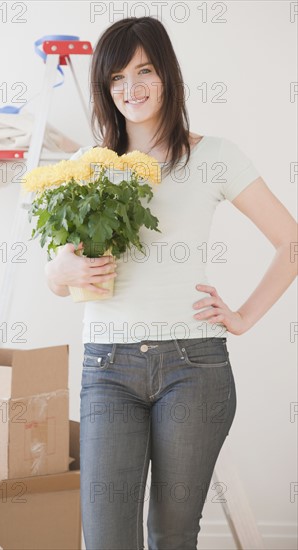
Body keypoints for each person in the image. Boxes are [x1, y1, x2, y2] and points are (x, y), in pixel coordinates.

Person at [45, 16, 298, 550]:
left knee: (173, 535)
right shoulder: (86, 168)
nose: (130, 89)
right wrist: (62, 273)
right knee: (107, 538)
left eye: (144, 71)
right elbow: (54, 273)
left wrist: (244, 316)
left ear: (168, 75)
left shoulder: (215, 156)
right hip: (107, 368)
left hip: (195, 366)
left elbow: (290, 243)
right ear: (104, 88)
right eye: (116, 78)